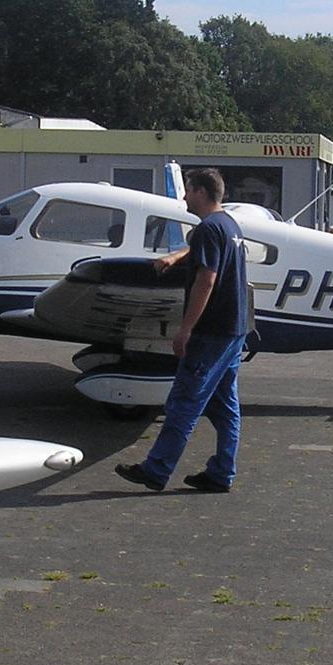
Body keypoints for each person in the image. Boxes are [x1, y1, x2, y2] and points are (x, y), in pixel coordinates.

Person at [116, 169, 248, 494]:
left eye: (188, 190)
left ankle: (156, 470)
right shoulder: (228, 225)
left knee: (184, 402)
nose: (185, 197)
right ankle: (222, 472)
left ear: (201, 192)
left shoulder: (206, 230)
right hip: (236, 329)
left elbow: (207, 278)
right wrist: (176, 256)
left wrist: (184, 329)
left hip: (212, 332)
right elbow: (203, 251)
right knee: (225, 405)